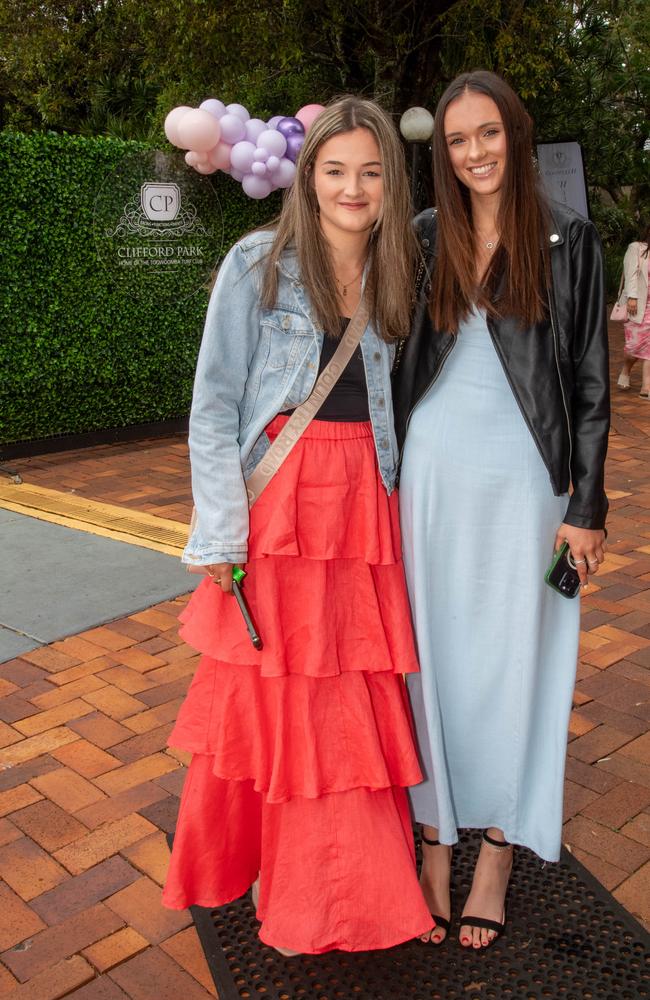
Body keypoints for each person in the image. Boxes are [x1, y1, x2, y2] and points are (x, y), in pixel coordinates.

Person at [162, 96, 434, 955]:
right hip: (282, 508)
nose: (353, 188)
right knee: (278, 695)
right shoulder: (258, 264)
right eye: (335, 169)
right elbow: (213, 408)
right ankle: (293, 885)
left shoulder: (401, 272)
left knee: (352, 696)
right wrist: (221, 534)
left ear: (391, 180)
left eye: (371, 170)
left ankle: (355, 894)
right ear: (307, 176)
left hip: (362, 508)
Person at [392, 71, 610, 950]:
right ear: (442, 154)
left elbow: (593, 385)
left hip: (526, 482)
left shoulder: (570, 239)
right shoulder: (421, 235)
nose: (476, 151)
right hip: (432, 477)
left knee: (517, 660)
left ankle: (498, 847)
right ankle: (438, 834)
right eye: (457, 140)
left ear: (515, 136)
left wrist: (586, 504)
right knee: (432, 660)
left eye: (489, 133)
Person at [616, 224, 650, 396]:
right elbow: (631, 273)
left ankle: (646, 387)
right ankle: (626, 369)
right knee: (634, 347)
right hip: (638, 304)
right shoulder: (636, 248)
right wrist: (632, 297)